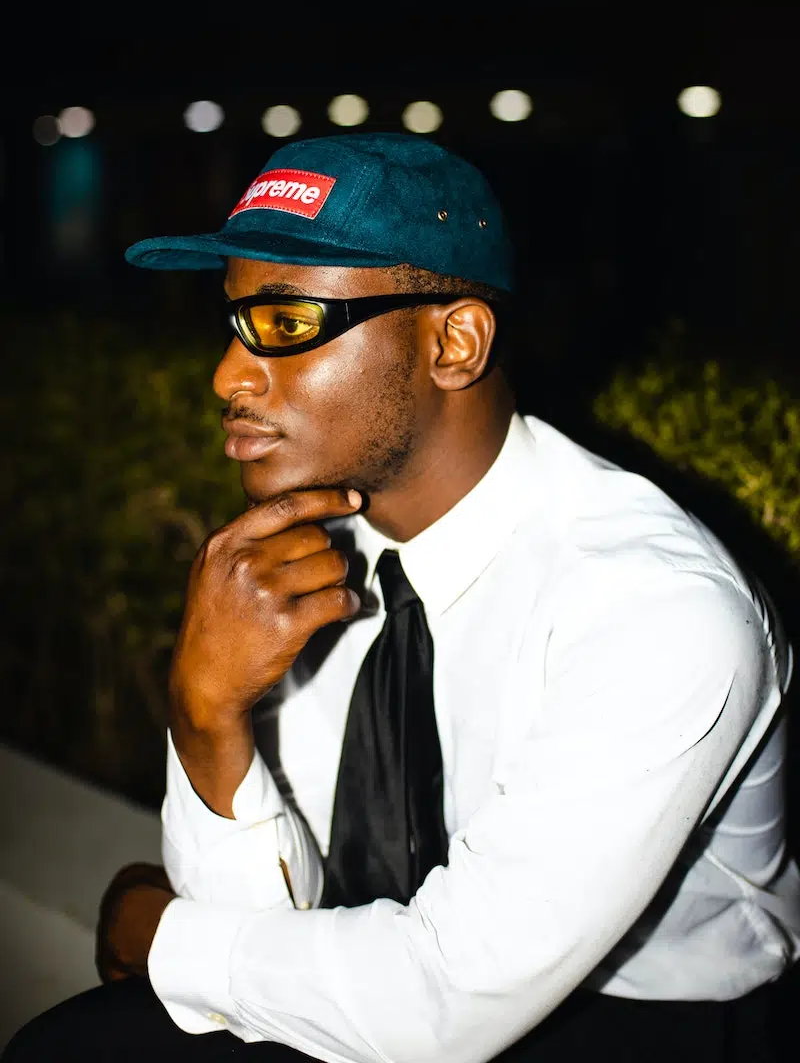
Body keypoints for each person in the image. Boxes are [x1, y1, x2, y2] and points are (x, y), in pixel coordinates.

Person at [5, 132, 800, 1062]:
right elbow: (261, 949)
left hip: (649, 1024)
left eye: (288, 322)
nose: (226, 377)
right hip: (415, 984)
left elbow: (446, 1001)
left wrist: (160, 936)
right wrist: (204, 713)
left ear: (453, 342)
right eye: (230, 321)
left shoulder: (654, 606)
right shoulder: (309, 555)